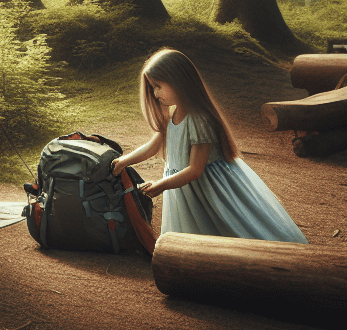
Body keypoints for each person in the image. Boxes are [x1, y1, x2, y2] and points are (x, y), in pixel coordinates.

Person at [111, 47, 307, 242]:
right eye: (153, 87)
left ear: (178, 81)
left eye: (158, 86)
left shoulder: (198, 119)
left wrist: (161, 185)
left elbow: (195, 170)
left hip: (209, 189)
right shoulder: (171, 114)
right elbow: (152, 147)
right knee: (192, 233)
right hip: (183, 189)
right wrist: (123, 161)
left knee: (226, 228)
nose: (155, 93)